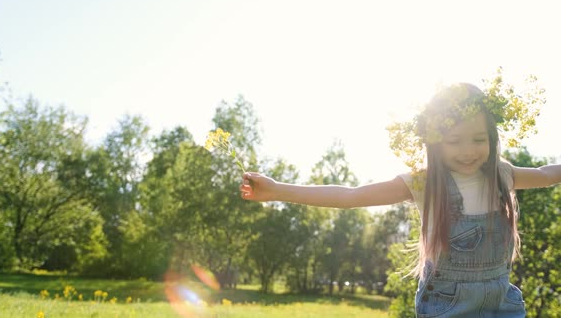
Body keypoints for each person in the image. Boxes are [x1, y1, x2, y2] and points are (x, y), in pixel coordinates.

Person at [238, 82, 561, 317]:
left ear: (492, 138)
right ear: (435, 143)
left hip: (501, 304)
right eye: (454, 141)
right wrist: (278, 189)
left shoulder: (502, 175)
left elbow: (547, 174)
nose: (468, 151)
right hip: (448, 305)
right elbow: (351, 196)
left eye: (479, 139)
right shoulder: (423, 183)